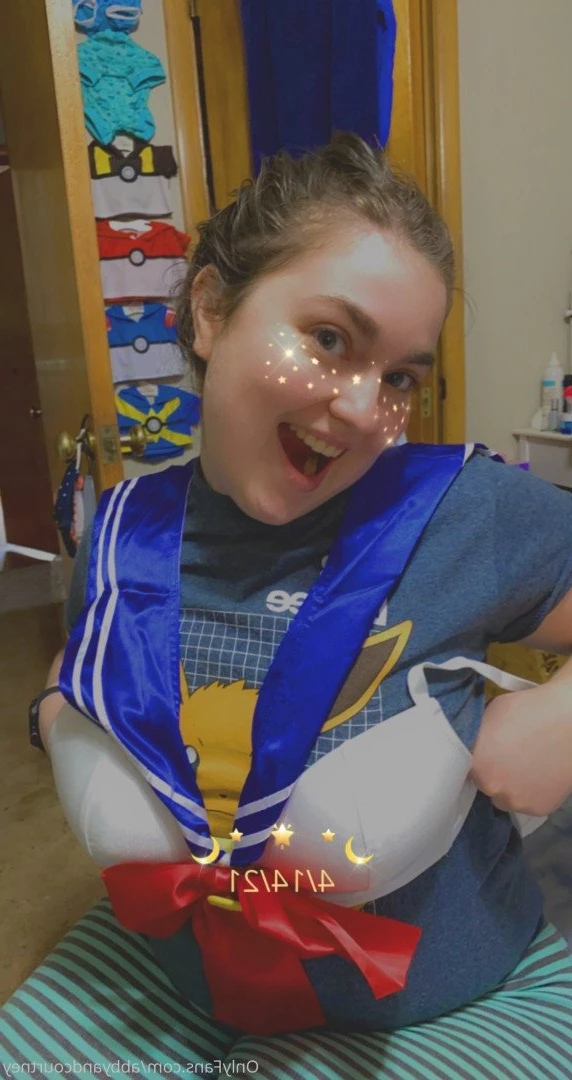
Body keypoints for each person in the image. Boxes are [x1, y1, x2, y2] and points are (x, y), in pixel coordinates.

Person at [33, 133, 572, 1078]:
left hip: (443, 1004)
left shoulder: (468, 513)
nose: (364, 409)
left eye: (400, 377)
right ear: (210, 309)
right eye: (329, 339)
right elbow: (90, 666)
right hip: (179, 996)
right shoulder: (118, 536)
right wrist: (54, 716)